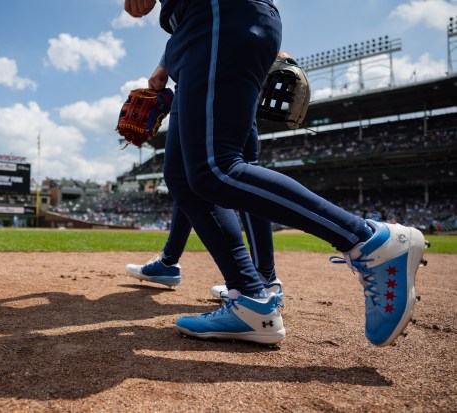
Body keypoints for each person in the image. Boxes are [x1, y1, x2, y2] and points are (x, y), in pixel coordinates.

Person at [123, 0, 428, 347]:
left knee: (216, 168)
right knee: (183, 178)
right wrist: (167, 59)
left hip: (218, 17)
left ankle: (368, 241)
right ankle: (252, 300)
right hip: (196, 28)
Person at [125, 62, 282, 301]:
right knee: (223, 169)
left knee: (193, 173)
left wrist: (164, 64)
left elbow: (192, 25)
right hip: (241, 74)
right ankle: (263, 276)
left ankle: (251, 287)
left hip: (203, 74)